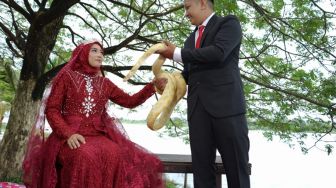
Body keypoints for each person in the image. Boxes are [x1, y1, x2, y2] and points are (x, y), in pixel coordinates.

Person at [23, 39, 164, 188]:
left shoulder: (104, 83)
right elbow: (52, 109)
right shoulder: (67, 77)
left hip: (96, 134)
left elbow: (129, 101)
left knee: (115, 152)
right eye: (94, 50)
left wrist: (151, 87)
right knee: (84, 156)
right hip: (69, 136)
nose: (100, 55)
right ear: (82, 54)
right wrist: (68, 134)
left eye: (102, 52)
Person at [156, 0, 250, 187]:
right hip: (198, 113)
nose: (185, 13)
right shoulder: (190, 40)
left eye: (187, 7)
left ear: (202, 4)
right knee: (202, 174)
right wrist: (169, 82)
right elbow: (190, 74)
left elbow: (218, 53)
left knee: (237, 172)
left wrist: (175, 53)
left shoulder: (229, 23)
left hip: (228, 112)